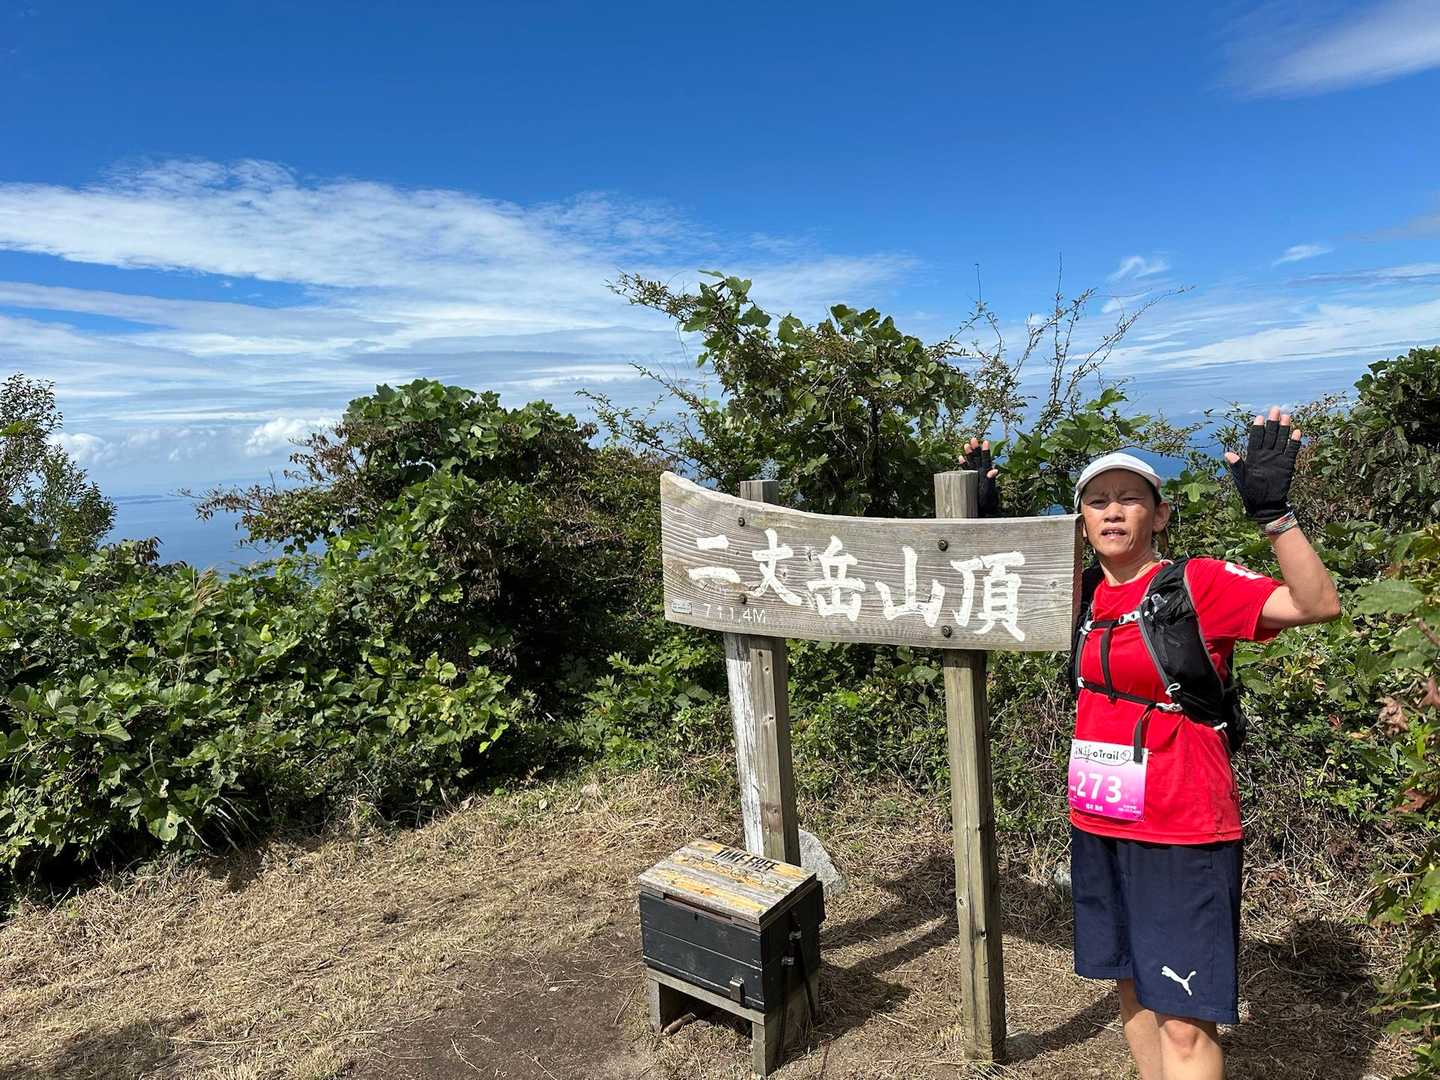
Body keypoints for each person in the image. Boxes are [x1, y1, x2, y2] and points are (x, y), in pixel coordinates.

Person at [964, 408, 1341, 1080]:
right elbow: (989, 597)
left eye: (1130, 499)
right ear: (1081, 521)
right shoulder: (1077, 595)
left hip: (1182, 825)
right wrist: (988, 526)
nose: (1113, 512)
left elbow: (1315, 605)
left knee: (1184, 1022)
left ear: (1159, 516)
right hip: (1101, 817)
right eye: (1097, 501)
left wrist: (1275, 516)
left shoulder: (1197, 584)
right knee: (1133, 986)